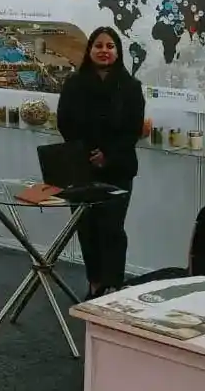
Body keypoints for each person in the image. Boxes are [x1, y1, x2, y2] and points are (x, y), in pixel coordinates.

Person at [57, 26, 145, 298]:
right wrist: (87, 153)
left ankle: (112, 288)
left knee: (112, 229)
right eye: (99, 45)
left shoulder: (130, 87)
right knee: (87, 229)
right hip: (80, 167)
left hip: (118, 168)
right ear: (89, 50)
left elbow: (133, 129)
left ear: (118, 52)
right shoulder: (74, 83)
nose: (104, 51)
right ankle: (94, 283)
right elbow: (65, 123)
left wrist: (107, 155)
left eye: (110, 46)